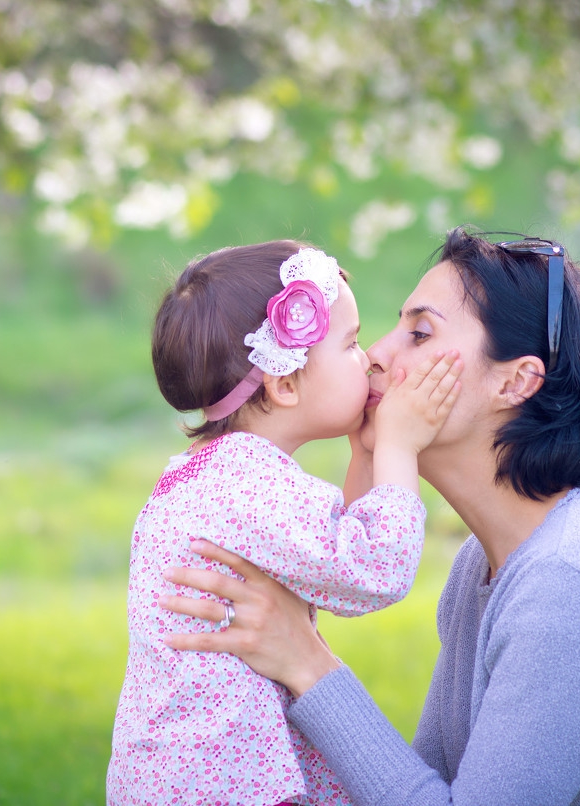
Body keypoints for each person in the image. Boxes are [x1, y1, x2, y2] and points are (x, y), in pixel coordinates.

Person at [161, 228, 580, 805]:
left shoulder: (578, 572)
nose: (375, 356)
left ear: (516, 381)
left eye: (419, 334)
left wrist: (306, 661)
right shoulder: (484, 565)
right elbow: (423, 787)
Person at [106, 240, 464, 806]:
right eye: (349, 344)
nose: (369, 357)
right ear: (286, 383)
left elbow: (337, 560)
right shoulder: (253, 484)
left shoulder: (210, 475)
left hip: (181, 775)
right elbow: (373, 569)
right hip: (223, 782)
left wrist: (365, 456)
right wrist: (400, 444)